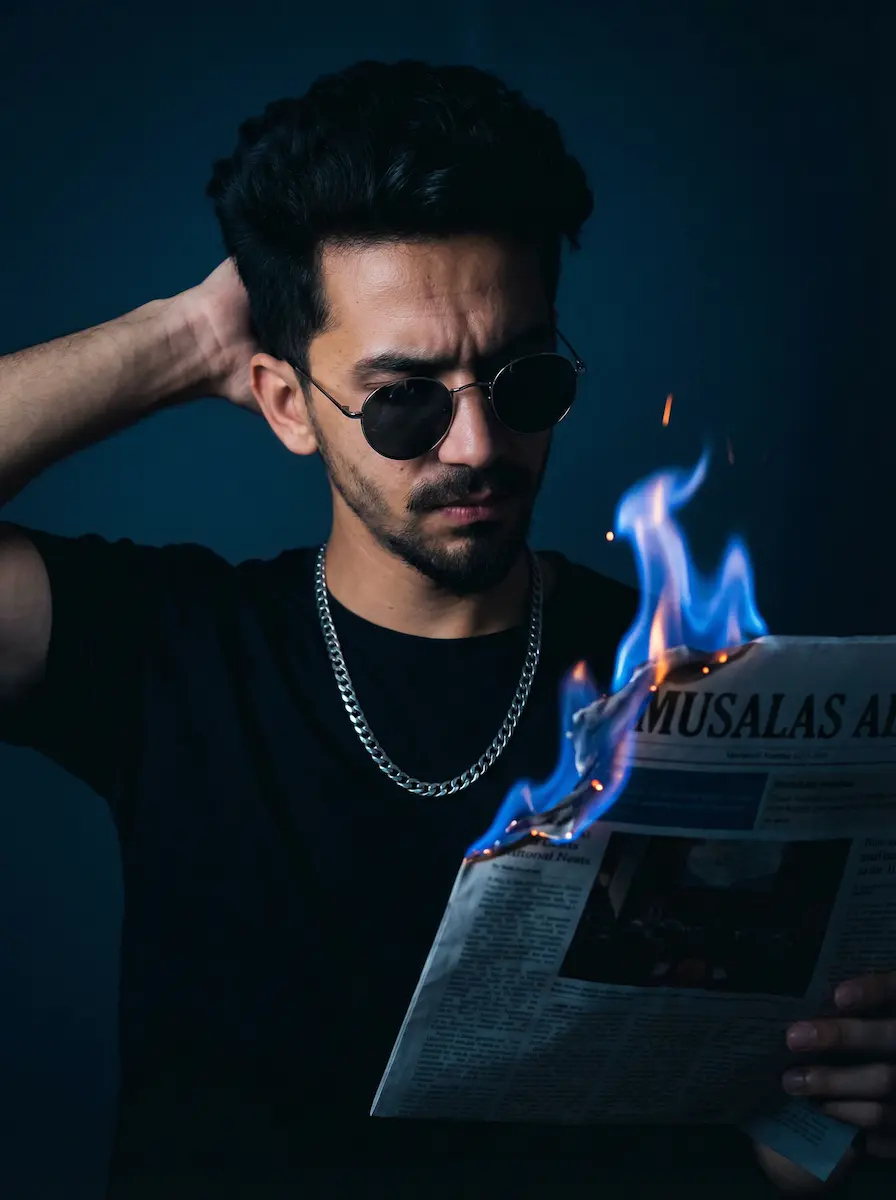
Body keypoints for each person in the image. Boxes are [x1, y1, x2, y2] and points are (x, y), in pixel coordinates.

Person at [0, 59, 891, 1200]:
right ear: (284, 403)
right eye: (403, 398)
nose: (474, 446)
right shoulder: (167, 649)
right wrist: (177, 339)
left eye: (520, 382)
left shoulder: (686, 675)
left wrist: (815, 1130)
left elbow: (741, 1124)